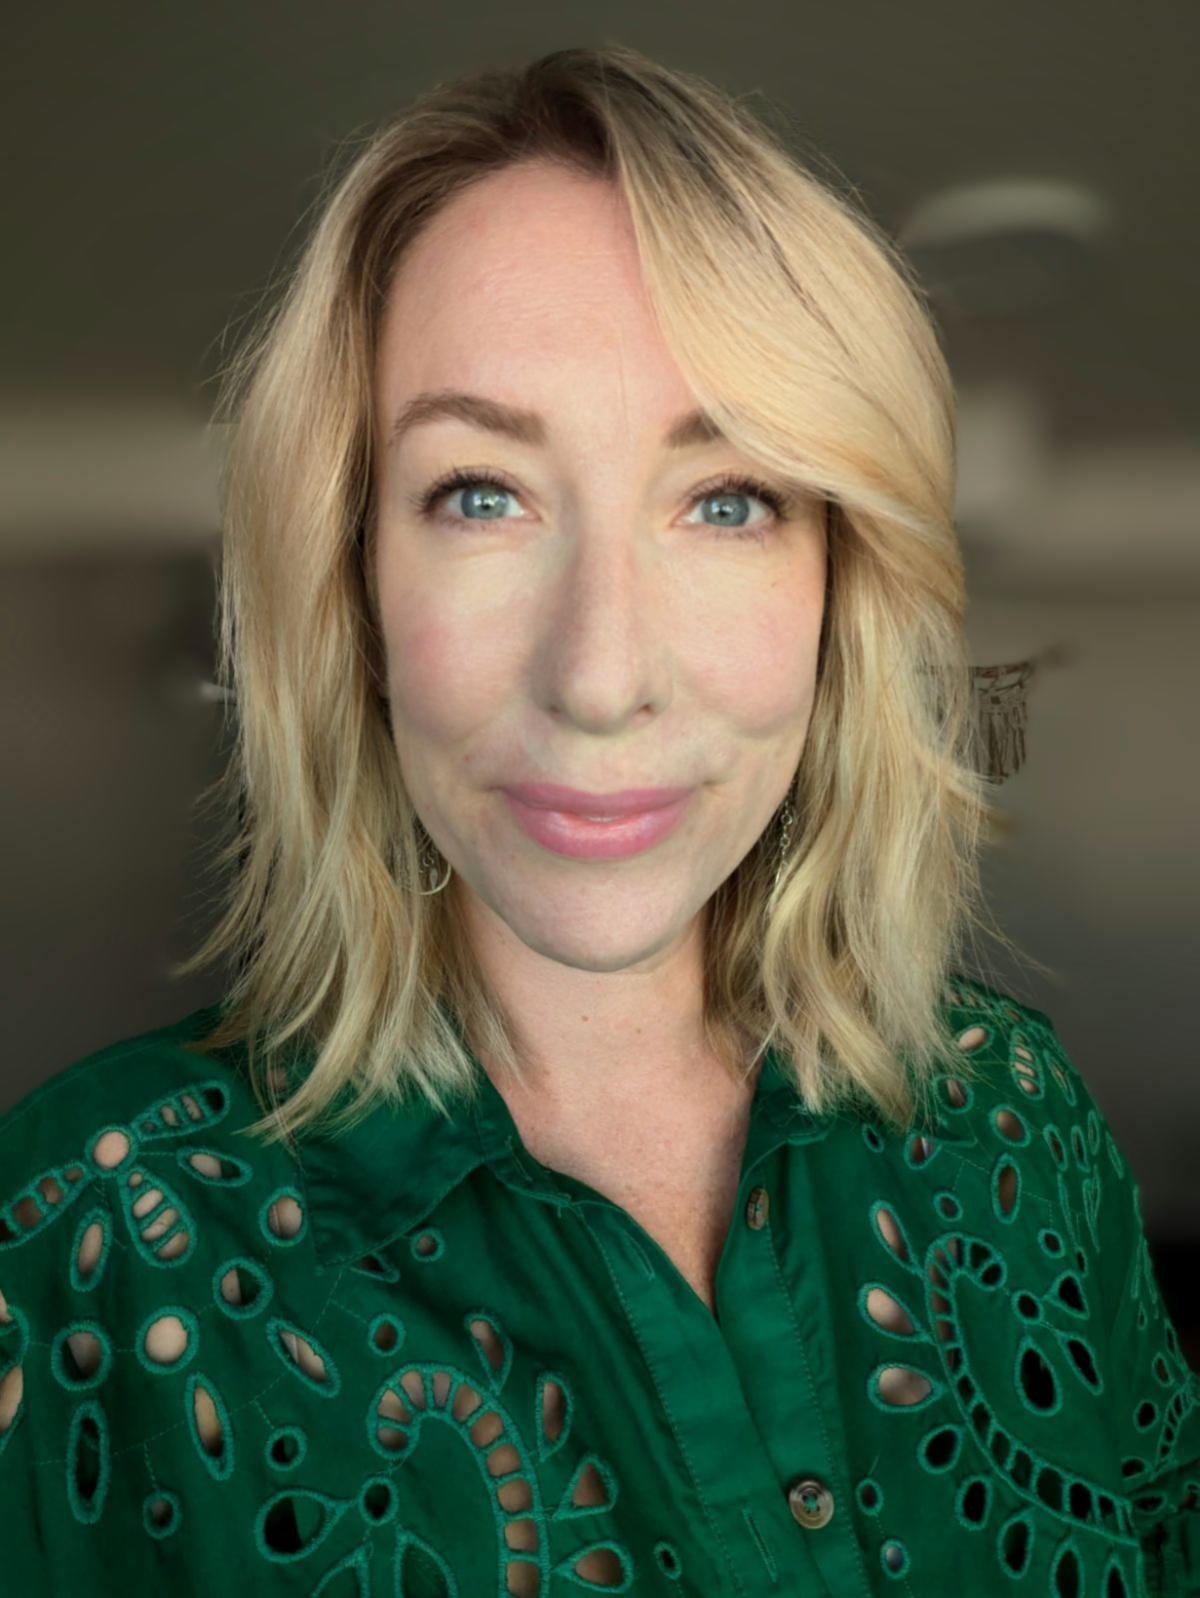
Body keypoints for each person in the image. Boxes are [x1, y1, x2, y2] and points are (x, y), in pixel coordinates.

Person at [1, 42, 1196, 1598]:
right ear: (353, 587)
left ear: (840, 587)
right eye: (481, 493)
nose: (602, 673)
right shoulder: (82, 1239)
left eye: (728, 500)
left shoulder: (1019, 1123)